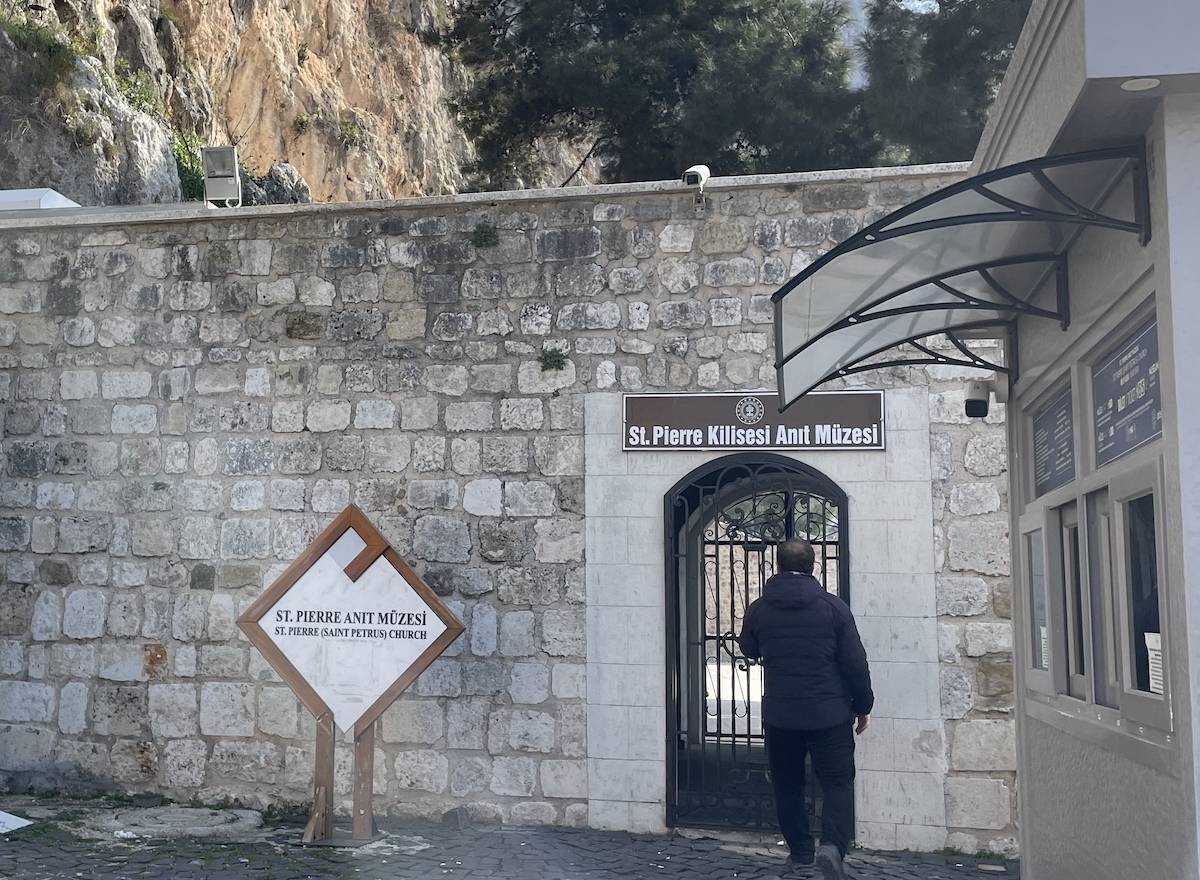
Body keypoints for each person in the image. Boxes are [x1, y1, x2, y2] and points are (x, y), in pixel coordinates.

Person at [737, 538, 873, 880]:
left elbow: (749, 648)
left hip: (782, 715)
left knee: (787, 784)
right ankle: (832, 848)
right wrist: (863, 705)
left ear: (777, 566)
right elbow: (855, 664)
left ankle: (799, 852)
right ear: (815, 566)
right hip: (829, 714)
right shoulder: (834, 608)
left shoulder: (760, 608)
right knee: (838, 783)